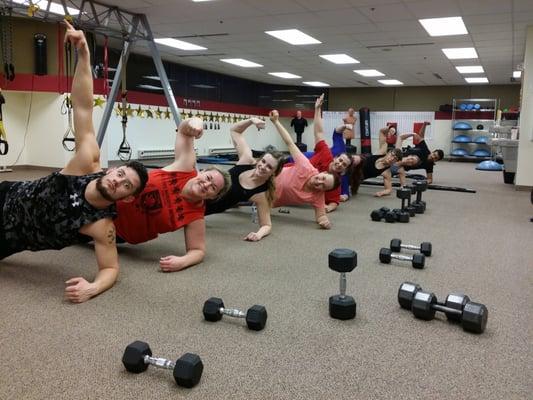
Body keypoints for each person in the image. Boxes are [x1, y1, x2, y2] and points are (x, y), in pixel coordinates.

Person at [0, 20, 149, 303]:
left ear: (126, 198)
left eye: (126, 186)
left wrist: (92, 288)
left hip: (10, 239)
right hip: (6, 194)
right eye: (121, 174)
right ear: (114, 169)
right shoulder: (85, 164)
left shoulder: (101, 225)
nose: (118, 181)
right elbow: (82, 106)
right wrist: (83, 54)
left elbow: (110, 268)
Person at [113, 116, 231, 272]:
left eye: (213, 188)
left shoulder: (195, 216)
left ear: (212, 197)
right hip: (109, 199)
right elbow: (183, 131)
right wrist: (196, 123)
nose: (206, 184)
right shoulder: (185, 166)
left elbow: (198, 251)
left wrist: (182, 261)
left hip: (117, 233)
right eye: (208, 178)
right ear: (201, 172)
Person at [204, 117, 286, 242]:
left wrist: (258, 234)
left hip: (204, 209)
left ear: (274, 173)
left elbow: (267, 225)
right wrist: (252, 120)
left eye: (269, 167)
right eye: (263, 161)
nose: (263, 167)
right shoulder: (246, 159)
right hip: (202, 188)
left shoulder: (261, 194)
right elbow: (235, 131)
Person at [270, 110, 340, 229]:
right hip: (264, 179)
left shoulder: (317, 195)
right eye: (322, 178)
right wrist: (276, 122)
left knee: (239, 201)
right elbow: (290, 143)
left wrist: (324, 221)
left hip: (268, 200)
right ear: (322, 172)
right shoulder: (306, 166)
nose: (319, 182)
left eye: (323, 186)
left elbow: (321, 215)